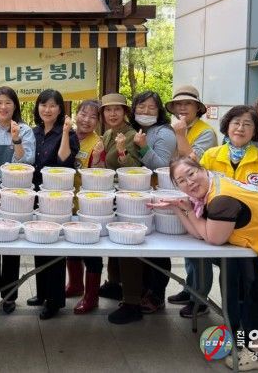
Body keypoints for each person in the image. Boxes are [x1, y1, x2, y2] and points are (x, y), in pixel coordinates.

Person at [152, 157, 258, 373]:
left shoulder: (221, 200)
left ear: (203, 169)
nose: (189, 182)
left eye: (191, 173)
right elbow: (200, 232)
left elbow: (213, 237)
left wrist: (186, 209)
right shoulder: (210, 191)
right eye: (181, 181)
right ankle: (255, 352)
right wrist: (181, 207)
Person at [199, 105, 258, 333]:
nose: (240, 128)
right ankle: (233, 324)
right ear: (227, 127)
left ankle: (253, 325)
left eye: (247, 124)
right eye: (236, 123)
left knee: (253, 280)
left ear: (255, 130)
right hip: (222, 230)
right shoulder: (211, 156)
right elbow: (199, 190)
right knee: (230, 277)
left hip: (256, 232)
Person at [0, 86, 35, 315]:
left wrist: (16, 139)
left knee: (11, 245)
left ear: (15, 106)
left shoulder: (24, 130)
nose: (3, 107)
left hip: (14, 195)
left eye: (8, 102)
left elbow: (26, 161)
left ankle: (9, 296)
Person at [164, 86, 218, 318]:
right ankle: (190, 288)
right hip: (187, 194)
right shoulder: (178, 127)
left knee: (200, 248)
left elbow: (191, 164)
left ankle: (200, 299)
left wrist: (180, 135)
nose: (182, 107)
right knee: (190, 247)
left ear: (198, 108)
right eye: (178, 104)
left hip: (203, 195)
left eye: (188, 103)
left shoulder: (205, 132)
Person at [88, 94, 142, 322]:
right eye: (108, 110)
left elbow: (134, 169)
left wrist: (121, 152)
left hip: (128, 197)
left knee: (127, 244)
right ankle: (114, 284)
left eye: (117, 109)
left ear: (125, 112)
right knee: (115, 240)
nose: (112, 114)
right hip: (112, 195)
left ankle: (132, 302)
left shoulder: (131, 135)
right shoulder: (108, 134)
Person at [26, 89, 79, 320]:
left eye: (53, 105)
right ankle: (42, 293)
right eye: (43, 105)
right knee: (40, 243)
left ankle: (54, 300)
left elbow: (64, 161)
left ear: (60, 110)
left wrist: (65, 133)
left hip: (56, 197)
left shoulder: (69, 133)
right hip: (36, 193)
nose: (47, 110)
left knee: (54, 249)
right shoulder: (33, 132)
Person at [129, 90, 177, 314]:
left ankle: (156, 294)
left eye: (151, 107)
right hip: (137, 195)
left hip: (158, 195)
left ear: (159, 111)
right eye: (141, 107)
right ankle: (141, 290)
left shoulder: (163, 132)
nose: (145, 111)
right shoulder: (136, 129)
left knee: (157, 247)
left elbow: (162, 165)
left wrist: (144, 146)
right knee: (141, 244)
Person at [65, 99, 101, 310]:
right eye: (83, 114)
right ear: (76, 114)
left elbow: (100, 174)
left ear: (98, 121)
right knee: (72, 246)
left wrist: (97, 160)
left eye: (93, 116)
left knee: (91, 251)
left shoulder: (97, 143)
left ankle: (91, 297)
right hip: (67, 202)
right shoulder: (67, 136)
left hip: (88, 205)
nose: (86, 120)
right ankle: (75, 285)